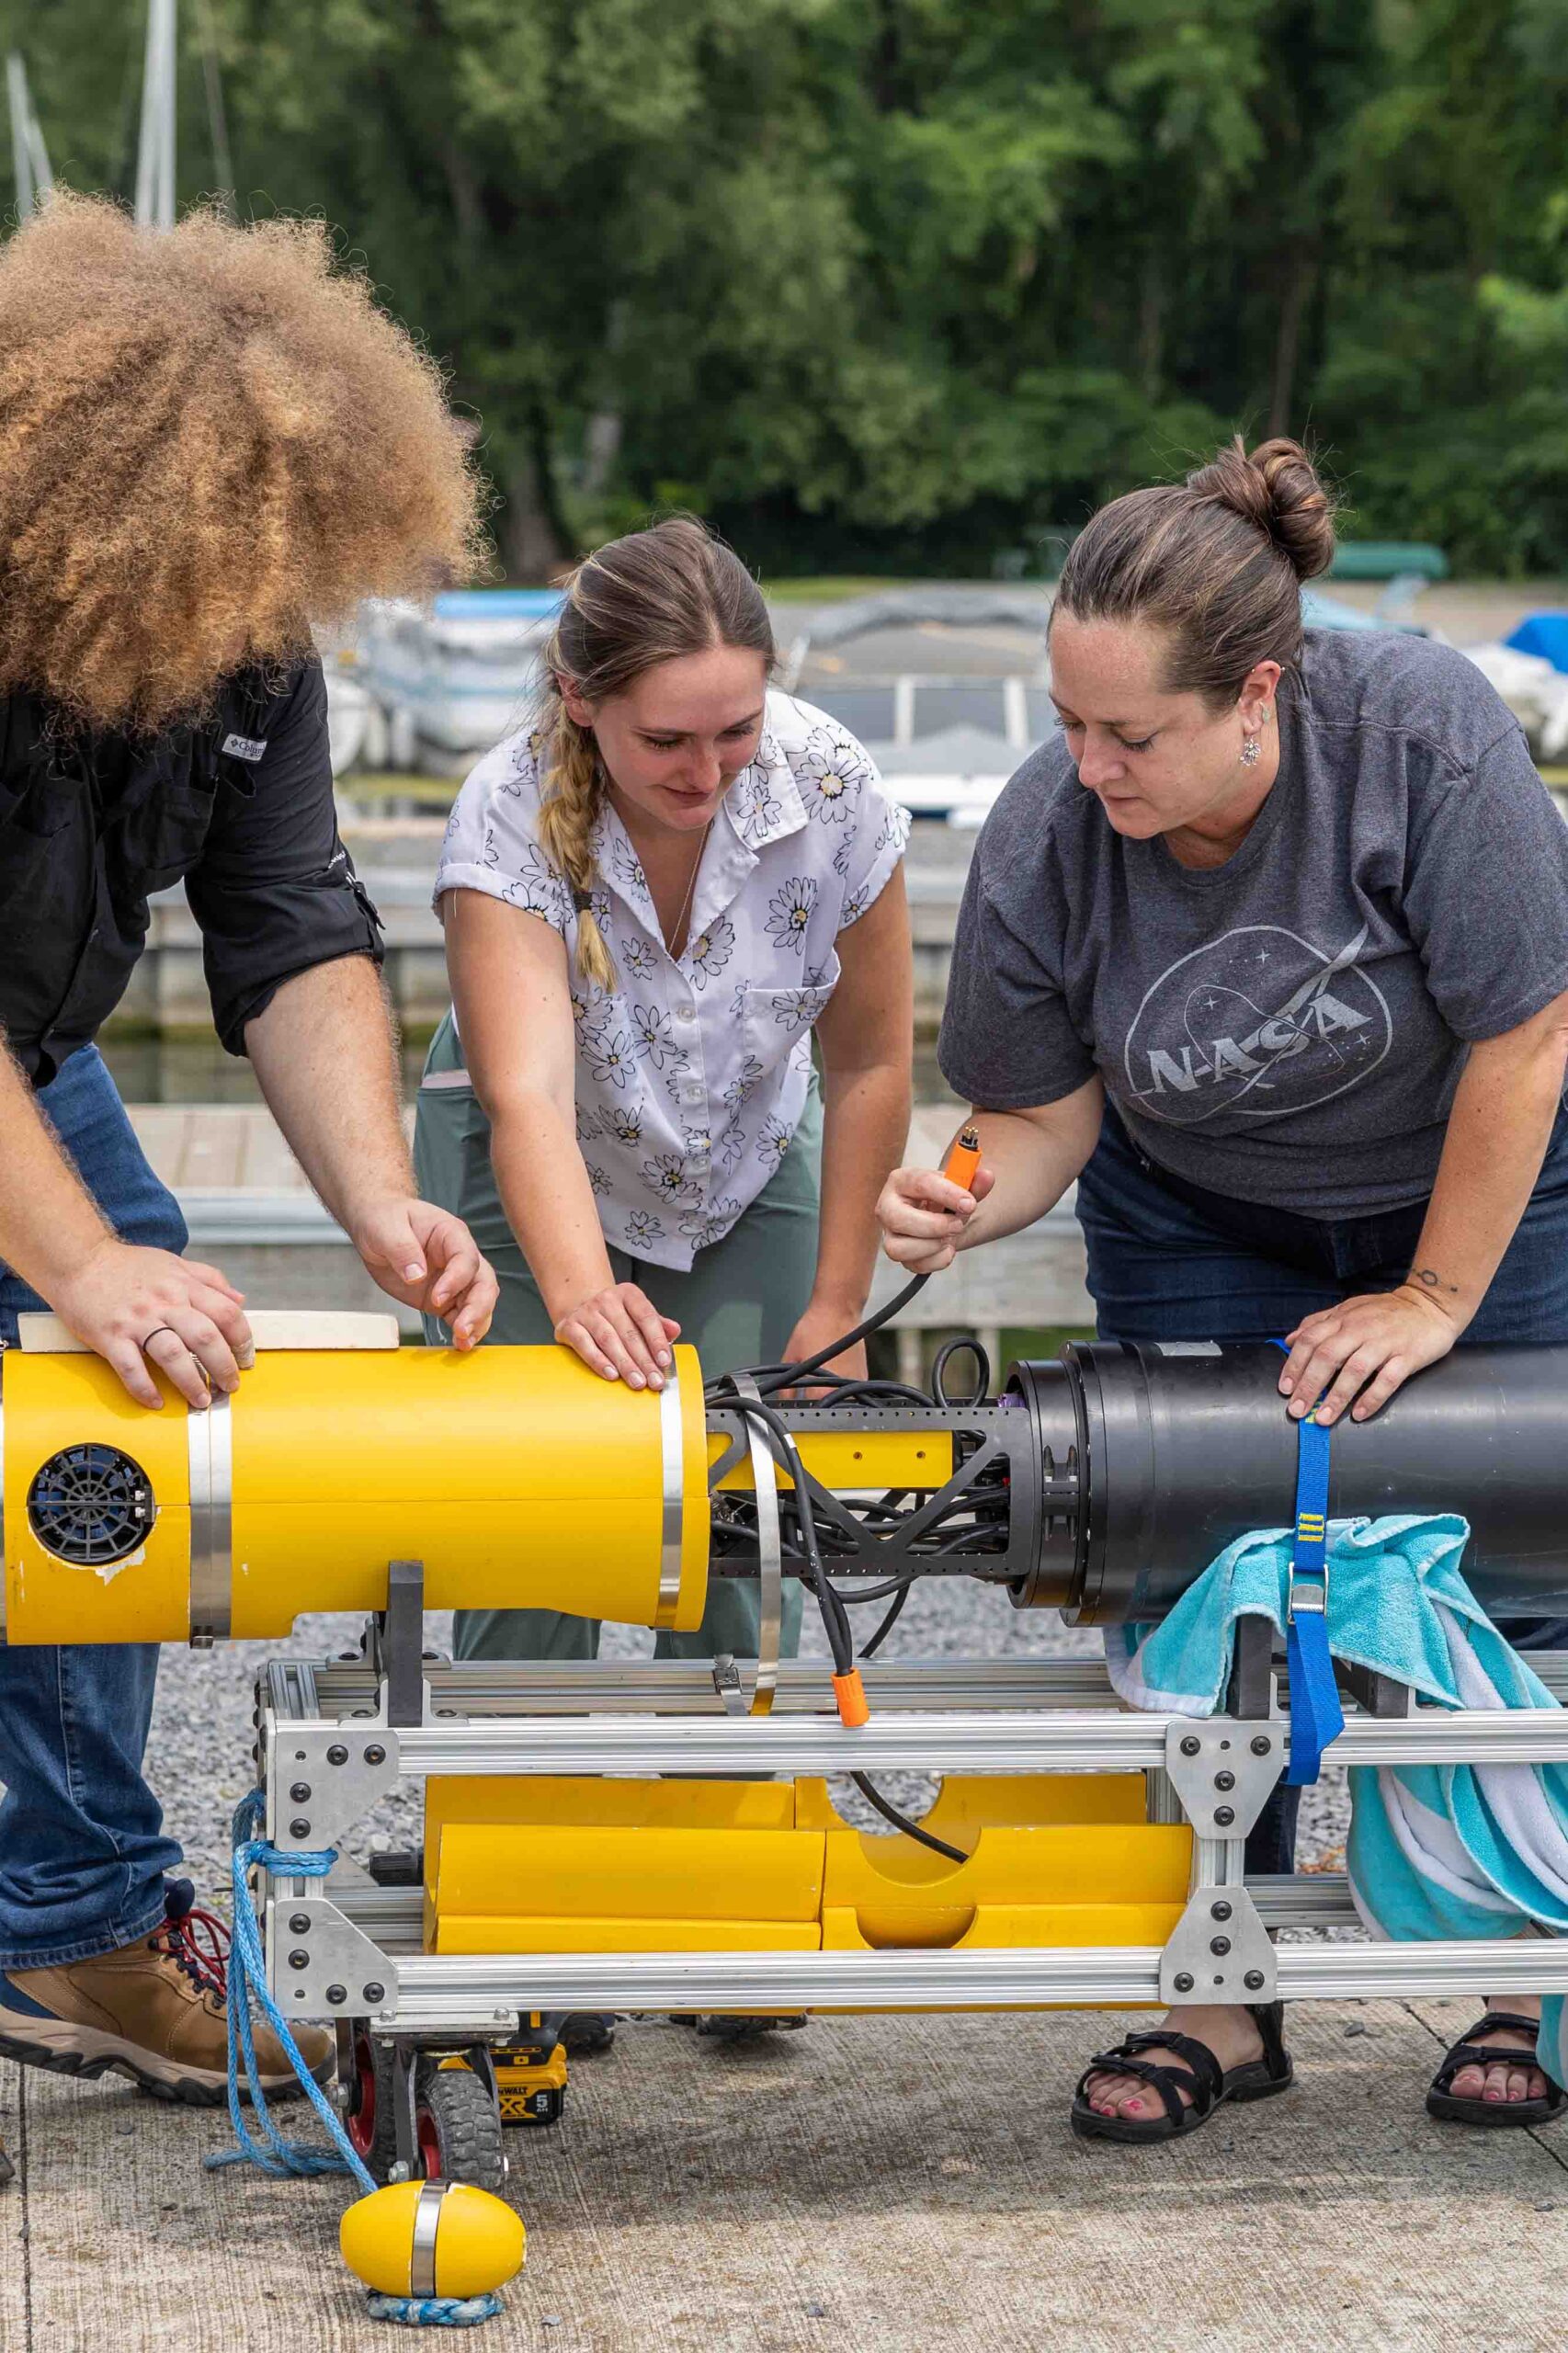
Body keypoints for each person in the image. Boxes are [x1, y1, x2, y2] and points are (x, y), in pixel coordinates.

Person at [877, 436, 1568, 2140]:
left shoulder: (1419, 736)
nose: (1088, 766)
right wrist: (965, 1200)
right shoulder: (1056, 827)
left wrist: (1428, 1299)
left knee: (1528, 1572)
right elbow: (1039, 1112)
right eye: (1069, 723)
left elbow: (1527, 1032)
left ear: (1257, 697)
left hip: (1479, 1187)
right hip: (1198, 1210)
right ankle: (1221, 1991)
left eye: (1132, 735)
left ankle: (1526, 1978)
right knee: (1197, 1580)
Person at [0, 194, 498, 2142]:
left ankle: (66, 1908)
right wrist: (81, 1269)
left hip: (32, 1049)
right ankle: (72, 1916)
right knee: (87, 1369)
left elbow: (289, 923)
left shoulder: (247, 634)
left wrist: (383, 1199)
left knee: (134, 1349)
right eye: (234, 575)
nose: (267, 620)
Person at [414, 516, 913, 1676]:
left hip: (740, 1144)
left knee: (743, 1508)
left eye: (736, 730)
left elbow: (869, 1063)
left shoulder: (831, 783)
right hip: (522, 1148)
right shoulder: (505, 805)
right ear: (580, 698)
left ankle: (729, 1814)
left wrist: (839, 1302)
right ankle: (519, 1825)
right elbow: (524, 1092)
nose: (705, 772)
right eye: (668, 740)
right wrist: (583, 1292)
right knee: (543, 1506)